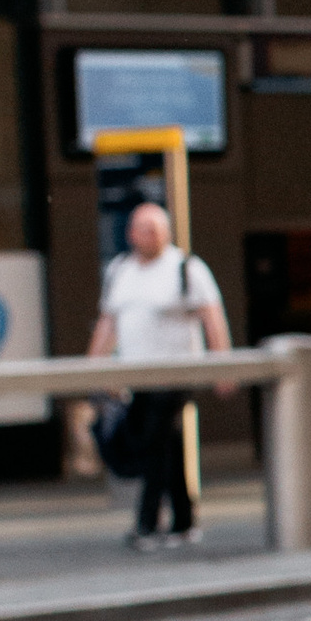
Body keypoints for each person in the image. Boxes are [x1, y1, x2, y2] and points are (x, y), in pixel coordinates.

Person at [89, 202, 229, 550]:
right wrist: (93, 366)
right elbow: (109, 322)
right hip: (139, 376)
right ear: (130, 233)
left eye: (156, 228)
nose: (149, 235)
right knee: (166, 445)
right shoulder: (120, 270)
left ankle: (147, 522)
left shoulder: (186, 268)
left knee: (153, 443)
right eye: (143, 228)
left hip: (176, 374)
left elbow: (213, 317)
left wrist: (223, 366)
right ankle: (184, 520)